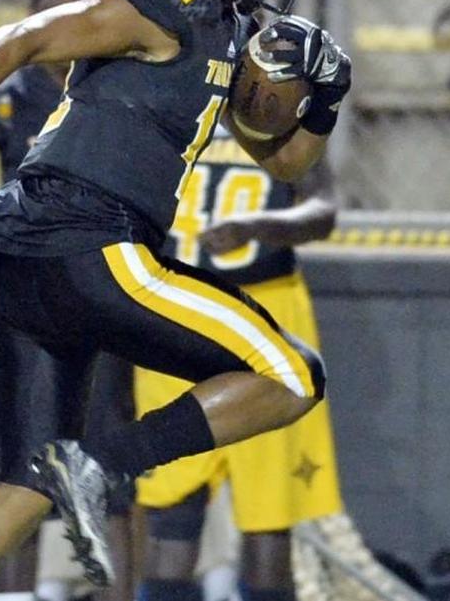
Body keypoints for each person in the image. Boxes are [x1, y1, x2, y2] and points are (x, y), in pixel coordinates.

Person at [0, 0, 353, 597]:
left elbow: (282, 160)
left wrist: (323, 100)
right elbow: (21, 38)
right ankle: (99, 465)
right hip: (90, 244)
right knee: (293, 375)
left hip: (25, 260)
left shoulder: (223, 26)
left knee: (26, 487)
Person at [131, 130, 342, 601]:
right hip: (175, 307)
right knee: (171, 505)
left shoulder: (287, 113)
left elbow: (323, 211)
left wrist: (257, 227)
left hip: (266, 307)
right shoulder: (159, 111)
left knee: (269, 517)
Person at [0, 0, 106, 600]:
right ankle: (17, 593)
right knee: (18, 455)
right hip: (29, 284)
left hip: (106, 282)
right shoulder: (14, 87)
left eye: (70, 7)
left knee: (108, 451)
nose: (58, 22)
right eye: (46, 8)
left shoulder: (117, 79)